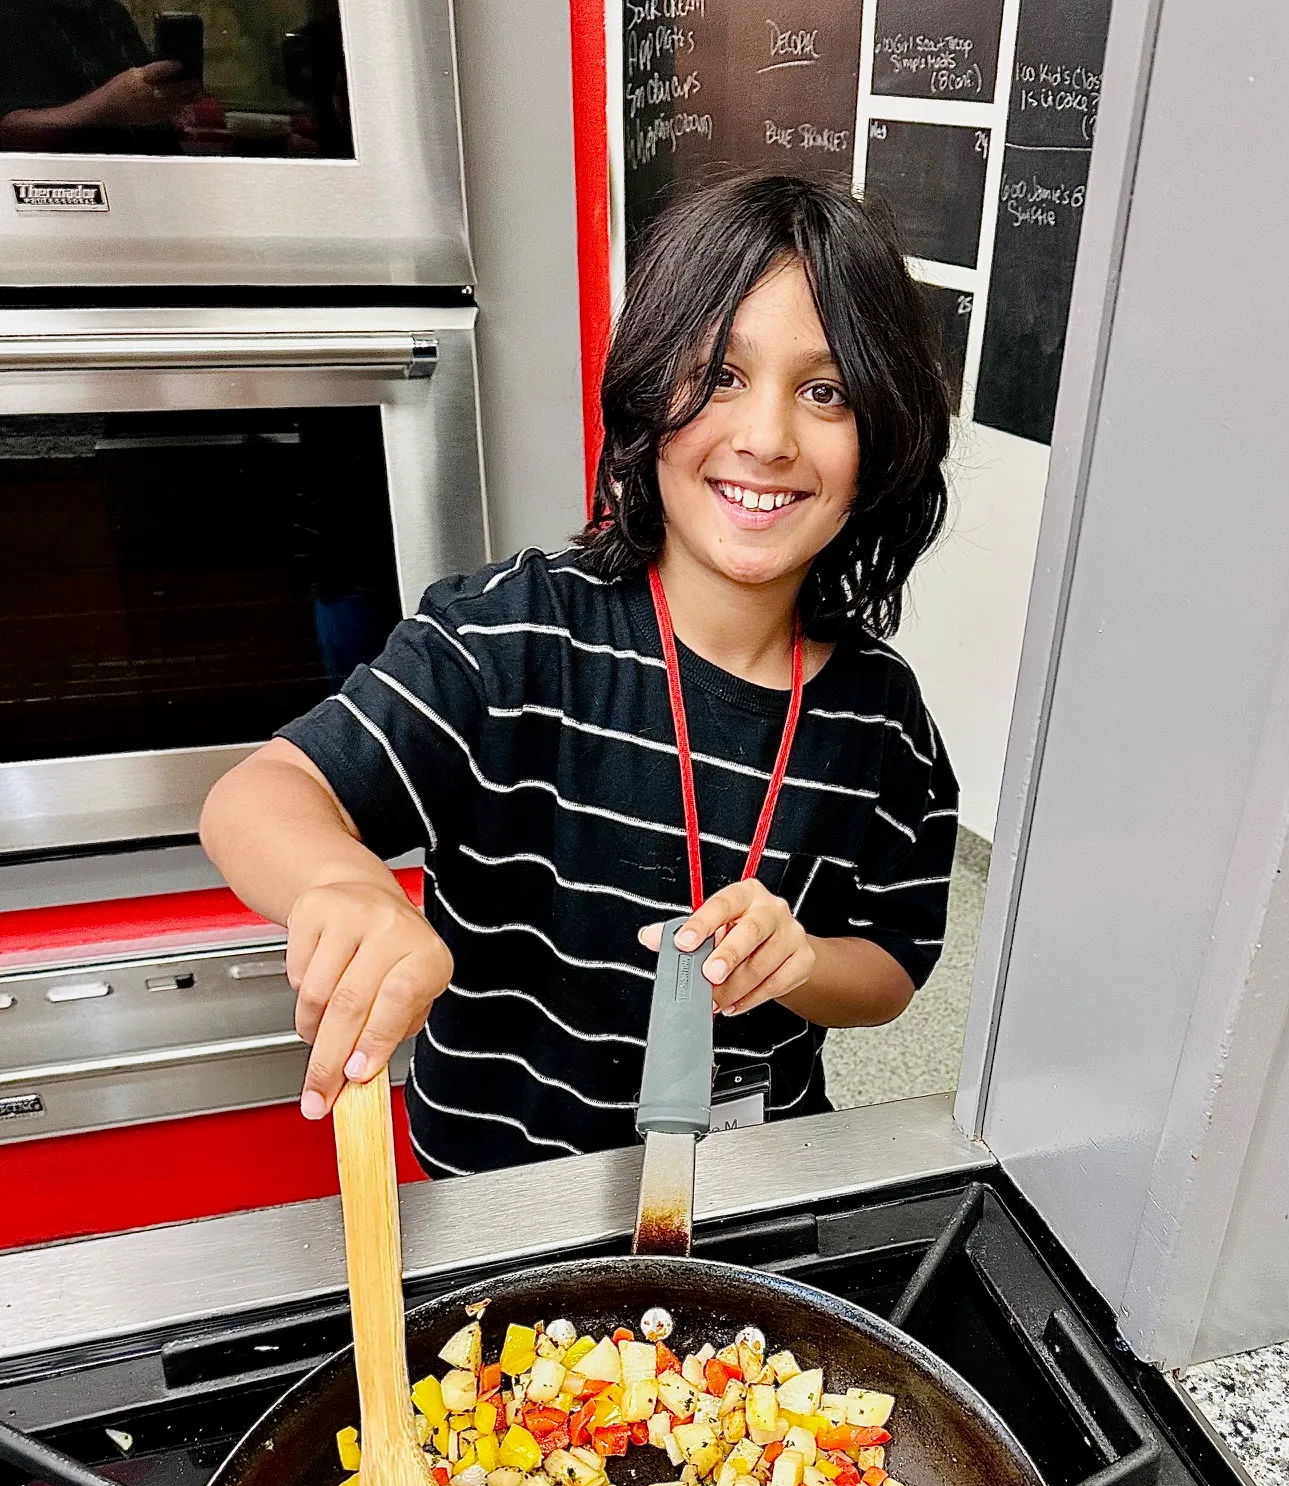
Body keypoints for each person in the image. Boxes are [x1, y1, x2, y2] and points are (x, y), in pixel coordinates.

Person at [201, 173, 958, 1178]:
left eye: (826, 393)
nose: (769, 438)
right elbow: (260, 795)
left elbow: (891, 969)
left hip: (752, 1199)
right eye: (722, 376)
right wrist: (344, 887)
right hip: (499, 1206)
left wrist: (805, 964)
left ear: (885, 438)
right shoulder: (511, 634)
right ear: (650, 395)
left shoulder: (883, 721)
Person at [0, 0, 196, 151]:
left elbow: (143, 94)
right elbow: (10, 132)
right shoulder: (12, 15)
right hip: (68, 186)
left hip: (146, 175)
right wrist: (105, 106)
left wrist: (169, 109)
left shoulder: (110, 12)